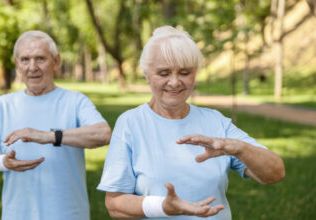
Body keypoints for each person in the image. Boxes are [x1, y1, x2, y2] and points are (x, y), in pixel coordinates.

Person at [97, 26, 285, 219]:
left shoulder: (215, 121)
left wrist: (239, 148)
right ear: (146, 74)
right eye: (163, 73)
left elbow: (275, 173)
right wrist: (163, 207)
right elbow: (115, 204)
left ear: (195, 74)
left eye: (185, 72)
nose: (175, 82)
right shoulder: (131, 123)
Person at [0, 30, 111, 220]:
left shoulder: (75, 101)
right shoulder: (3, 105)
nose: (32, 67)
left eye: (40, 58)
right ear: (17, 64)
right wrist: (3, 162)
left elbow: (103, 133)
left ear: (56, 61)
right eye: (25, 59)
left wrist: (50, 136)